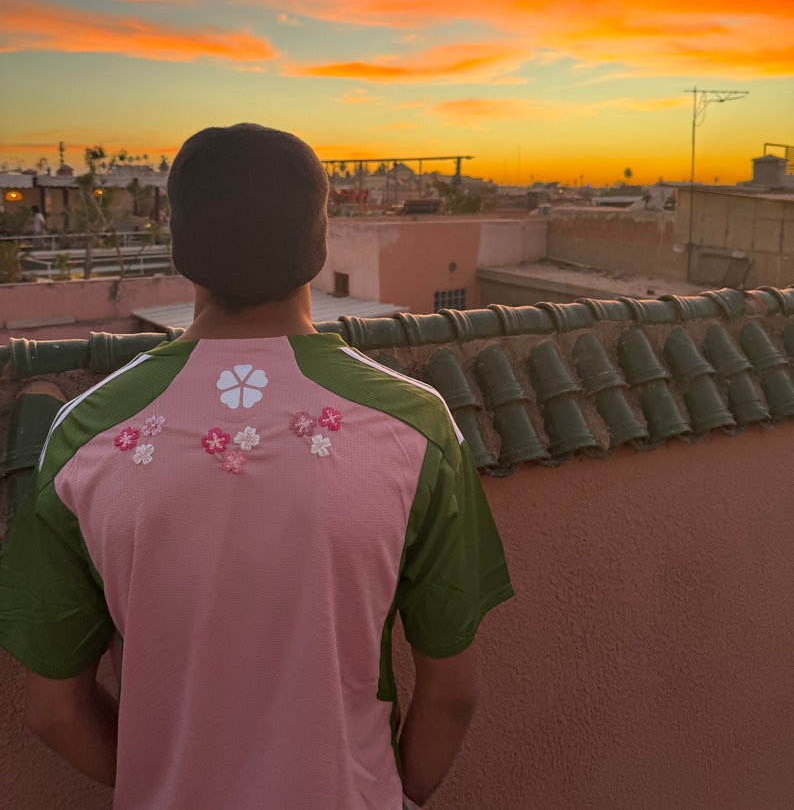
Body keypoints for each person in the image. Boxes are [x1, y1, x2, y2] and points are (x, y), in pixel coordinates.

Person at [0, 124, 513, 810]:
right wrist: (395, 793)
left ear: (181, 244)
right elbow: (451, 694)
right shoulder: (417, 428)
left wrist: (165, 776)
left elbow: (54, 711)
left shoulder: (84, 437)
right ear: (318, 240)